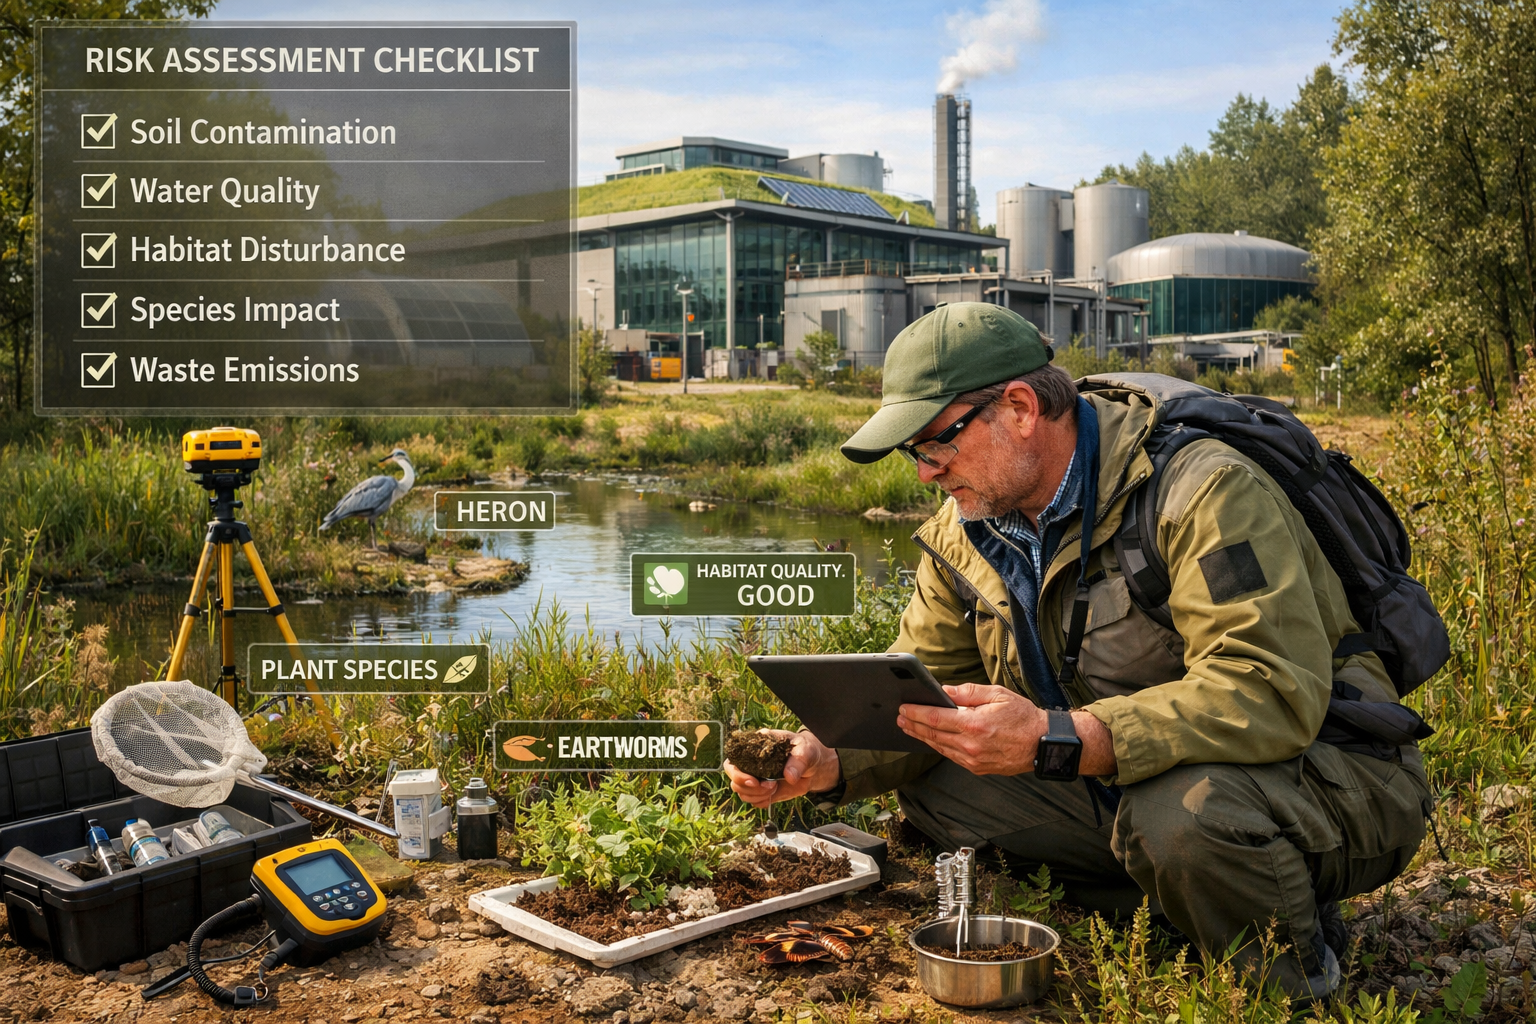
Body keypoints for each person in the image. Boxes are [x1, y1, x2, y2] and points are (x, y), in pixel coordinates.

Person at [724, 302, 1431, 999]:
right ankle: (1193, 906)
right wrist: (829, 758)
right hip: (1127, 773)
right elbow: (926, 695)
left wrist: (1055, 739)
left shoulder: (1202, 488)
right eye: (916, 453)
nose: (926, 473)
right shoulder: (966, 528)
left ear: (1022, 409)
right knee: (938, 780)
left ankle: (1289, 985)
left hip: (1332, 769)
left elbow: (1268, 689)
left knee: (1185, 818)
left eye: (935, 444)